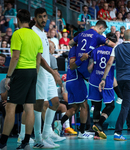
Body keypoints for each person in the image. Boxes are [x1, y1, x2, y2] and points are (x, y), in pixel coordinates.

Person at [59, 20, 116, 138]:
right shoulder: (96, 37)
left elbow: (70, 42)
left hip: (73, 79)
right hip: (75, 78)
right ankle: (82, 132)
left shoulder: (79, 39)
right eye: (103, 30)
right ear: (101, 27)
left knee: (75, 108)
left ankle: (58, 123)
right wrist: (83, 58)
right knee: (85, 106)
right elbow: (73, 65)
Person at [0, 9, 43, 150]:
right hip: (32, 73)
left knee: (11, 107)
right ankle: (25, 143)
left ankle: (3, 143)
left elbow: (15, 57)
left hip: (20, 71)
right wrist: (34, 75)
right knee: (29, 107)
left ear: (18, 19)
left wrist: (8, 77)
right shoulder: (36, 36)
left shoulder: (18, 34)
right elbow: (38, 61)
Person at [99, 29, 130, 141]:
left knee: (129, 107)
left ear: (124, 37)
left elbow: (109, 63)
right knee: (126, 106)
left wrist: (103, 78)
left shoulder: (116, 48)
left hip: (120, 81)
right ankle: (118, 132)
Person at [32, 8, 64, 149]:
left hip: (48, 73)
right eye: (40, 17)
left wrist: (52, 73)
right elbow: (39, 59)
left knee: (55, 102)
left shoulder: (43, 32)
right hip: (41, 72)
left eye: (45, 16)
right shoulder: (34, 32)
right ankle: (38, 138)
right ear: (35, 18)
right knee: (39, 105)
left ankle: (46, 134)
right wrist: (54, 72)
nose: (43, 19)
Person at [87, 33, 117, 140]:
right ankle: (99, 124)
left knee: (96, 106)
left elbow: (90, 68)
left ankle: (97, 134)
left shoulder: (94, 51)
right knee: (111, 105)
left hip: (94, 81)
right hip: (107, 81)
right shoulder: (114, 51)